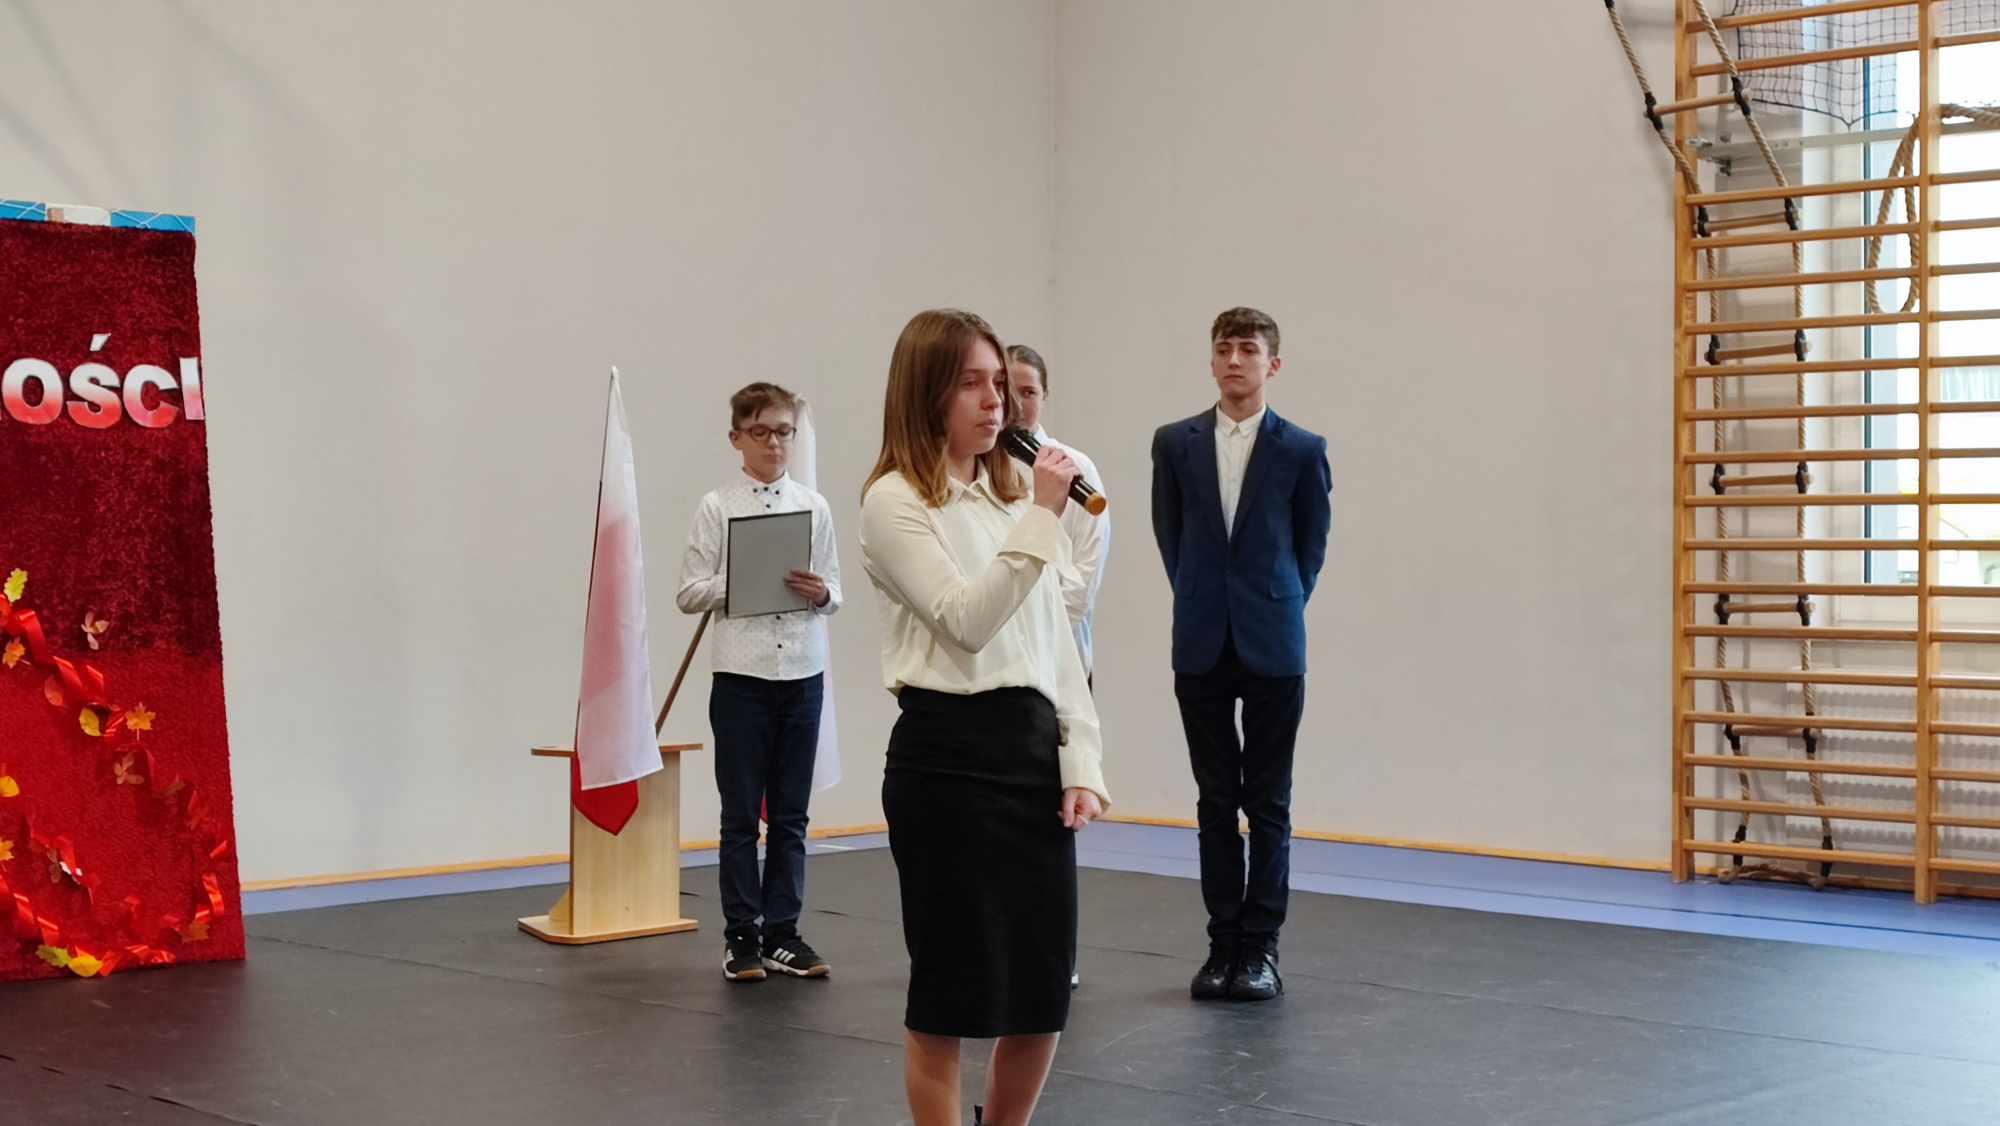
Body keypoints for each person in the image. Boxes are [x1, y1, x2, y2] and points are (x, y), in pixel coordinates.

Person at [860, 309, 1110, 1126]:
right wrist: (1042, 516)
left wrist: (1081, 763)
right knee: (949, 997)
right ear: (926, 391)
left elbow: (1057, 648)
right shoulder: (894, 502)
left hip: (1028, 755)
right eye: (971, 383)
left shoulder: (1013, 502)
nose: (994, 401)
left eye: (999, 383)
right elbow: (965, 620)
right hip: (947, 762)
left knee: (1040, 997)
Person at [1149, 306, 1331, 1004]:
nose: (1234, 360)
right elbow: (1171, 536)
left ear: (1272, 365)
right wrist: (1204, 597)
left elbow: (1310, 547)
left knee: (1269, 802)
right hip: (1201, 639)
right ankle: (1221, 945)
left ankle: (1261, 950)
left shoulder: (1302, 449)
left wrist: (1275, 601)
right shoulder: (1175, 442)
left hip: (1273, 641)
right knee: (1215, 801)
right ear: (1211, 360)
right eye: (1223, 348)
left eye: (1248, 350)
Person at [676, 382, 842, 983]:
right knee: (741, 815)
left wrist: (820, 592)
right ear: (737, 438)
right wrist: (744, 577)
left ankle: (784, 934)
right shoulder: (716, 507)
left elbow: (834, 591)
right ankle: (741, 935)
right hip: (741, 676)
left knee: (792, 816)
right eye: (761, 432)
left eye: (784, 432)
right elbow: (688, 592)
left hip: (802, 671)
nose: (774, 443)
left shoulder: (813, 505)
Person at [1004, 345, 1110, 689]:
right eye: (1009, 391)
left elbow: (1086, 571)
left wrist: (1038, 631)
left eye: (1029, 393)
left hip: (1061, 655)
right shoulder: (975, 468)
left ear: (1045, 396)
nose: (1018, 404)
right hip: (993, 657)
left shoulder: (1076, 467)